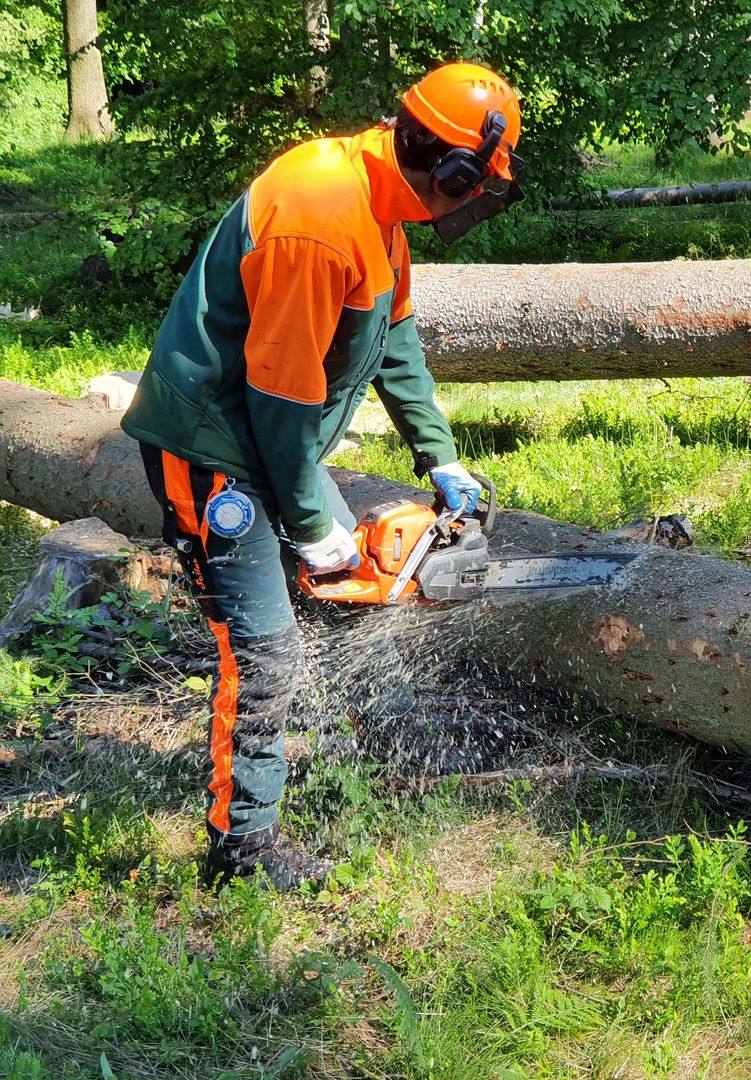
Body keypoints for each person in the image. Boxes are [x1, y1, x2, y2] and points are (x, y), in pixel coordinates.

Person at [121, 62, 526, 891]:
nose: (472, 199)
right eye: (474, 184)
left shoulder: (385, 211)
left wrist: (438, 452)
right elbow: (276, 392)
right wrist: (312, 521)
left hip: (276, 438)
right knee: (263, 652)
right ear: (452, 171)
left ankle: (397, 756)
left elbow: (397, 340)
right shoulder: (321, 212)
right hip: (215, 447)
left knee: (354, 593)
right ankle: (244, 847)